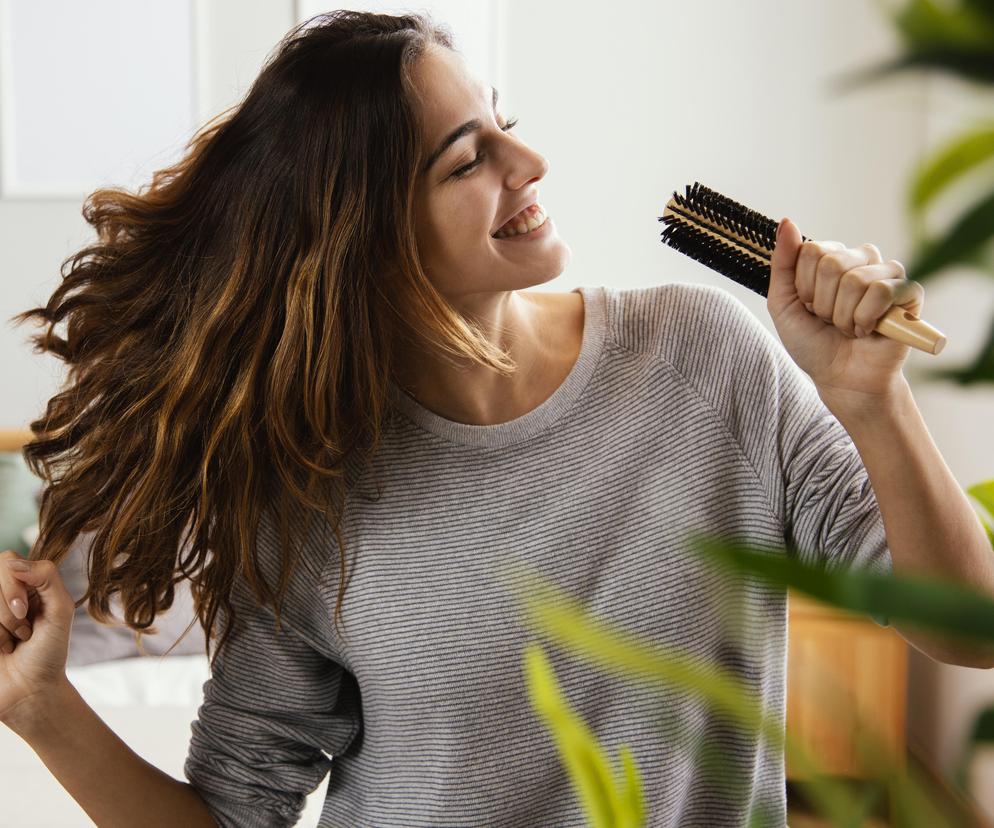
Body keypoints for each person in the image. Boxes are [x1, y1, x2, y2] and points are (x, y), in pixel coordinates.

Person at [2, 9, 992, 828]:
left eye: (502, 120)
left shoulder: (705, 355)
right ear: (368, 242)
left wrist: (870, 400)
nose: (528, 160)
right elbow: (231, 818)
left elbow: (970, 628)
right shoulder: (310, 495)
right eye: (464, 160)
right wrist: (42, 706)